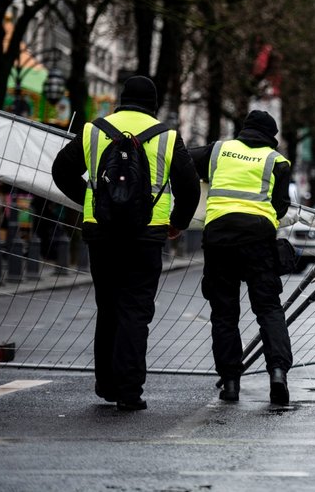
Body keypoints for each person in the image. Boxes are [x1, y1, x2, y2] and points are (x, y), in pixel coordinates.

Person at [52, 76, 200, 411]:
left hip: (100, 233)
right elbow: (189, 189)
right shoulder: (167, 137)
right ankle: (129, 391)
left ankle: (106, 384)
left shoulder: (93, 130)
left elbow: (61, 171)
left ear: (121, 98)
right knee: (135, 309)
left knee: (107, 307)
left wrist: (92, 200)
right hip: (146, 235)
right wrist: (176, 223)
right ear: (154, 103)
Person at [189, 111, 294, 405]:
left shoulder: (219, 150)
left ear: (243, 130)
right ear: (271, 138)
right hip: (259, 242)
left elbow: (184, 162)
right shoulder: (278, 162)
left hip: (219, 238)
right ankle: (277, 373)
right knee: (269, 309)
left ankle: (231, 382)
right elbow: (281, 208)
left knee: (224, 314)